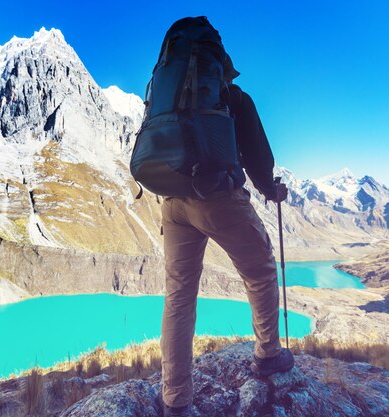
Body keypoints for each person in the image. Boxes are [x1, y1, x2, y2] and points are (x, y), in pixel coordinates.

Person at [159, 49, 294, 416]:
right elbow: (257, 158)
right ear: (222, 68)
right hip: (218, 197)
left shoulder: (164, 95)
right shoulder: (233, 98)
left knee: (179, 296)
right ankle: (268, 354)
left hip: (172, 202)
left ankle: (175, 399)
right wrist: (271, 190)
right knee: (261, 271)